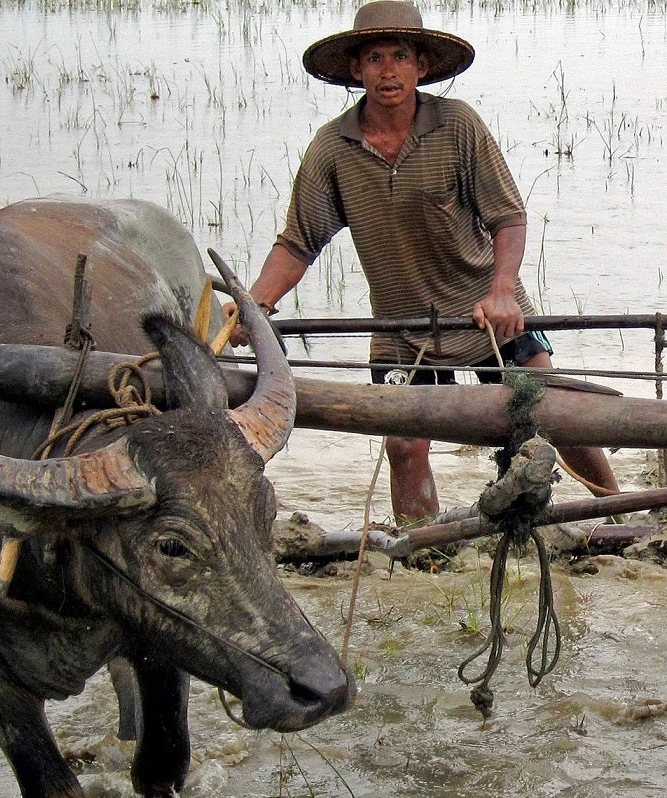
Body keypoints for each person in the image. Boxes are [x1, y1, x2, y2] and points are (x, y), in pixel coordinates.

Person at [228, 0, 620, 525]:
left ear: (421, 65)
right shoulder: (332, 148)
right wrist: (256, 302)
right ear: (355, 69)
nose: (387, 71)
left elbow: (507, 217)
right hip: (402, 329)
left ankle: (621, 514)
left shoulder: (458, 126)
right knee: (404, 446)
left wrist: (503, 288)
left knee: (558, 416)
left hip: (488, 316)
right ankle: (425, 550)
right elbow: (299, 241)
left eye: (399, 56)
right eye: (373, 58)